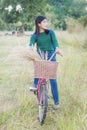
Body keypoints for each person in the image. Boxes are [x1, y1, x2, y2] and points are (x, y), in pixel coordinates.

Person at [29, 15, 62, 109]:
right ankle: (35, 84)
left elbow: (55, 42)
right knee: (39, 72)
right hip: (40, 55)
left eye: (46, 22)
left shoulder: (51, 32)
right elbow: (31, 44)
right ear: (38, 24)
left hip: (51, 55)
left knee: (53, 79)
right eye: (44, 22)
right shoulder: (35, 35)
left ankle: (56, 103)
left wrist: (57, 49)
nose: (46, 23)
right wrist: (31, 50)